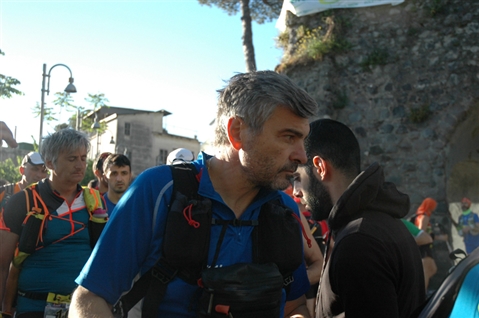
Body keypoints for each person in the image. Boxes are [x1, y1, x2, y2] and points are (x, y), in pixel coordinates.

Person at [70, 70, 318, 318]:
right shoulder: (160, 190)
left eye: (302, 140)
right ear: (238, 132)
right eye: (288, 137)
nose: (302, 156)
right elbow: (91, 297)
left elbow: (294, 307)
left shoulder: (284, 210)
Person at [293, 118, 425, 318]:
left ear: (320, 167)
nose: (296, 192)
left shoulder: (358, 241)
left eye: (297, 178)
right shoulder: (377, 223)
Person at [0, 129, 105, 318]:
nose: (80, 165)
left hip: (82, 308)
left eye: (83, 158)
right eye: (72, 159)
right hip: (32, 307)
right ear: (49, 163)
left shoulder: (95, 202)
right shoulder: (22, 201)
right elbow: (1, 264)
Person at [0, 152, 49, 227]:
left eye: (44, 171)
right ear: (22, 170)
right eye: (35, 169)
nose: (39, 175)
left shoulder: (47, 197)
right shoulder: (5, 192)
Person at [412, 197, 438, 290]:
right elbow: (421, 232)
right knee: (426, 271)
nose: (434, 208)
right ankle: (422, 293)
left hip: (424, 245)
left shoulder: (420, 215)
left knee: (432, 269)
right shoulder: (424, 216)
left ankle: (421, 291)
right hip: (424, 246)